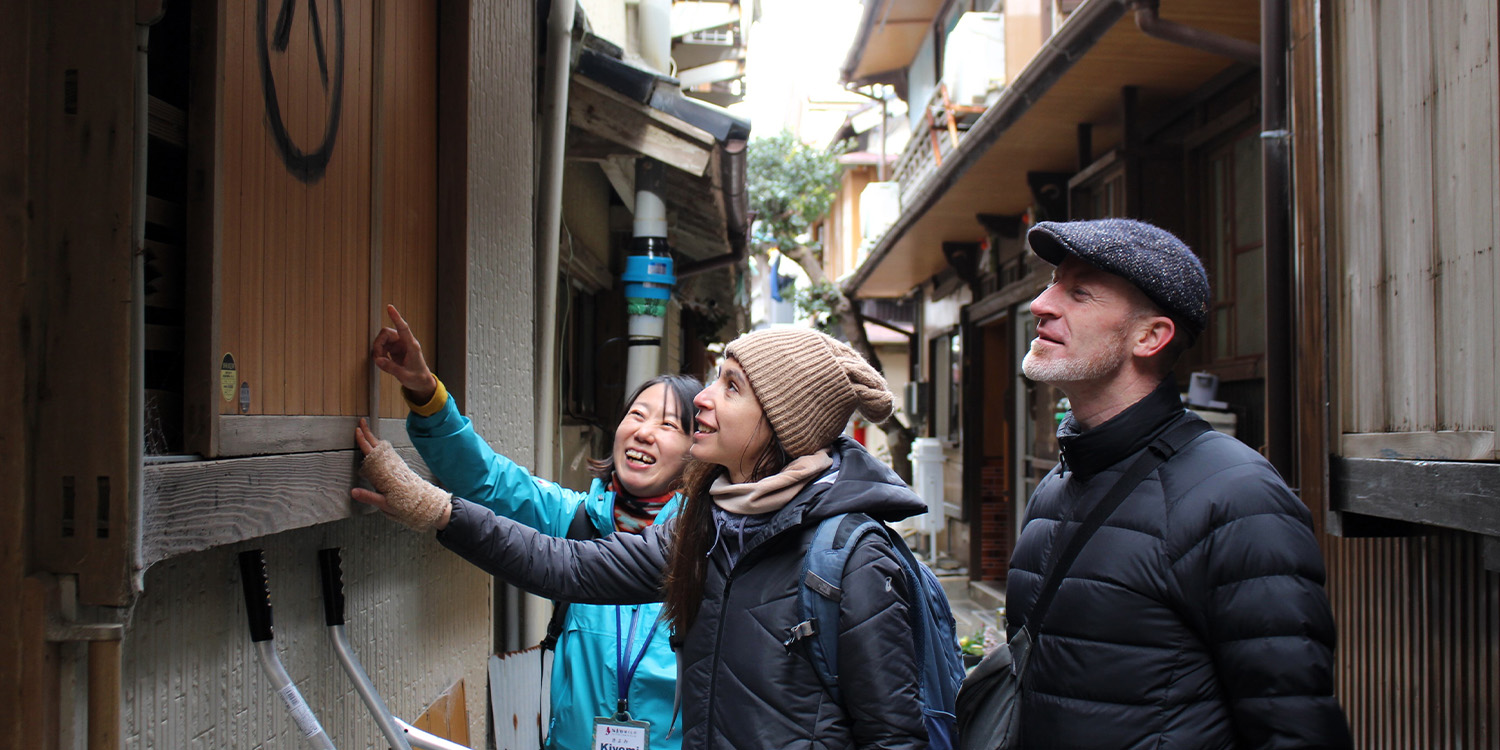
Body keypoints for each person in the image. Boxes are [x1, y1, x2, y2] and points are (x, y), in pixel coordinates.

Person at [353, 326, 935, 749]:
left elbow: (893, 734)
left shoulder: (847, 555)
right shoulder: (704, 531)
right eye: (636, 413)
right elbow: (559, 561)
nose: (704, 399)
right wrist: (435, 501)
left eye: (729, 387)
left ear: (779, 423)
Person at [1006, 219, 1352, 749]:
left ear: (1150, 336)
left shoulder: (1238, 497)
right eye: (1052, 282)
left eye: (1079, 292)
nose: (1042, 304)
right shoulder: (1057, 485)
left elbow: (1293, 725)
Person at [364, 304, 699, 750]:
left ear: (698, 452)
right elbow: (488, 478)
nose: (643, 432)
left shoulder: (703, 547)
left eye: (669, 425)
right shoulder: (577, 520)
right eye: (636, 415)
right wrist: (426, 393)